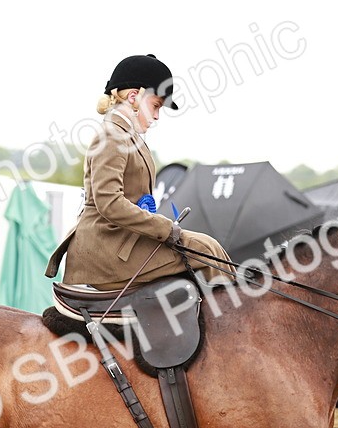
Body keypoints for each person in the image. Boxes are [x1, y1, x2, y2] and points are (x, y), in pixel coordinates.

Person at [45, 53, 232, 291]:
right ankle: (232, 321)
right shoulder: (112, 135)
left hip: (123, 242)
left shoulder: (128, 137)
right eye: (155, 106)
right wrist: (164, 228)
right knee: (206, 250)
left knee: (208, 246)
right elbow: (109, 202)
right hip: (106, 251)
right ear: (134, 96)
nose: (156, 116)